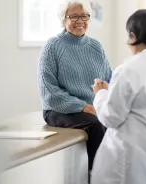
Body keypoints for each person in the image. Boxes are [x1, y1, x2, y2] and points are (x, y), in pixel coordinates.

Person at [91, 9, 146, 184]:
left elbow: (111, 117)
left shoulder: (129, 70)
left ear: (133, 36)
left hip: (133, 164)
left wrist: (101, 93)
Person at [37, 0, 112, 174]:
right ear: (63, 20)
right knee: (96, 125)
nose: (80, 20)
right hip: (59, 110)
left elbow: (108, 77)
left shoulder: (96, 46)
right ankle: (97, 175)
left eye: (84, 16)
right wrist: (83, 106)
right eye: (74, 16)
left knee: (116, 121)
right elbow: (50, 93)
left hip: (92, 108)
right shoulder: (52, 47)